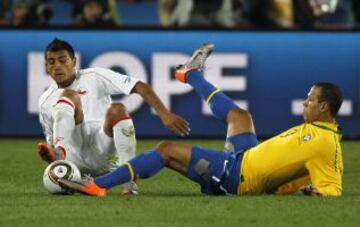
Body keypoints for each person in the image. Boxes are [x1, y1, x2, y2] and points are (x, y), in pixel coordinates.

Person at [58, 43, 344, 197]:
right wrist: (294, 186)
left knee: (165, 150)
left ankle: (98, 184)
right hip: (248, 157)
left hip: (236, 177)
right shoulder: (316, 130)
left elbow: (332, 186)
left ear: (323, 106)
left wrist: (316, 192)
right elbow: (301, 168)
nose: (305, 102)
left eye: (310, 99)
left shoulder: (327, 144)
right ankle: (191, 74)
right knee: (240, 116)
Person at [38, 38, 190, 195]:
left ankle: (129, 181)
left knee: (118, 108)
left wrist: (165, 115)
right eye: (51, 62)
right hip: (76, 164)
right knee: (69, 97)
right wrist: (53, 159)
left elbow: (139, 86)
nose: (57, 66)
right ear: (47, 67)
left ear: (74, 61)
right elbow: (52, 140)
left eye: (63, 60)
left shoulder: (94, 76)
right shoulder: (44, 102)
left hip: (105, 154)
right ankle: (62, 159)